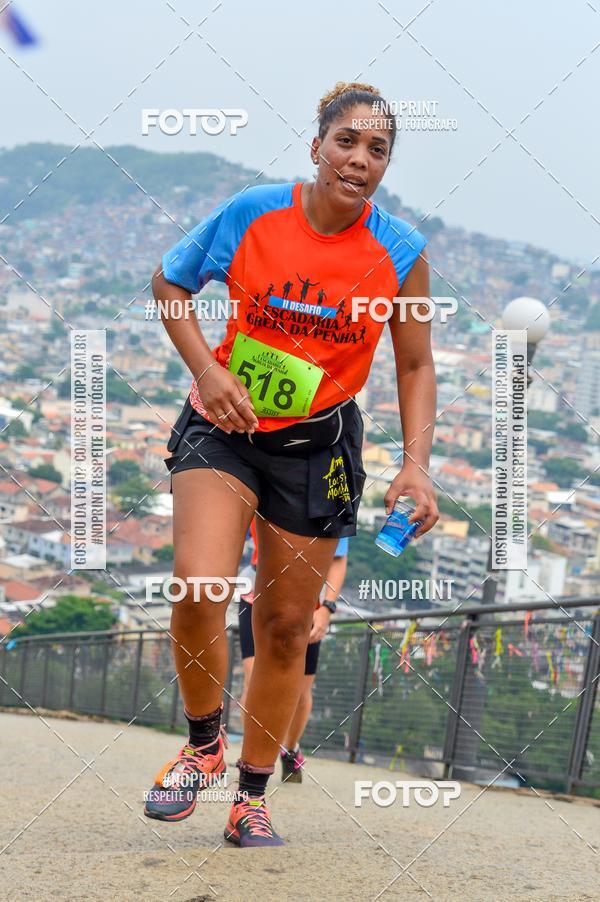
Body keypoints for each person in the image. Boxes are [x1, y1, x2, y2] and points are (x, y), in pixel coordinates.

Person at [143, 80, 439, 847]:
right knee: (201, 581)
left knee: (283, 630)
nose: (360, 159)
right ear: (316, 148)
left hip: (318, 447)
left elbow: (413, 366)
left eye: (378, 149)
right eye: (347, 141)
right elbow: (170, 281)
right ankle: (204, 746)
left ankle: (250, 793)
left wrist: (417, 466)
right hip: (226, 426)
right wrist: (208, 368)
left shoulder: (400, 252)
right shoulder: (253, 213)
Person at [238, 522, 348, 783]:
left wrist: (327, 608)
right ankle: (253, 756)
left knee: (299, 688)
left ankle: (290, 748)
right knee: (254, 677)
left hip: (307, 595)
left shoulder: (329, 492)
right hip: (256, 589)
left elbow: (338, 558)